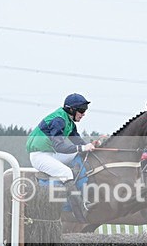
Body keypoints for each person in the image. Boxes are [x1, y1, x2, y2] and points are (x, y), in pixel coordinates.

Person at [26, 93, 97, 221]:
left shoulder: (69, 122)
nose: (83, 114)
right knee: (66, 172)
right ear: (71, 109)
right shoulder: (58, 120)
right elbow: (59, 146)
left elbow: (78, 142)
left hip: (51, 153)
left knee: (78, 154)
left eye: (85, 110)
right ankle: (79, 211)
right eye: (81, 110)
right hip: (39, 156)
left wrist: (91, 147)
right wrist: (82, 148)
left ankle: (78, 179)